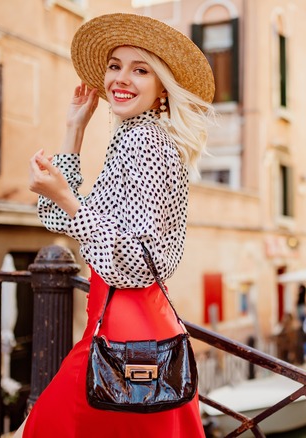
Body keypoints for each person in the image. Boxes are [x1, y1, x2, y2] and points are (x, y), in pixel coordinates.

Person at [16, 13, 215, 438]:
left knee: (47, 427)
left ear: (162, 85)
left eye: (140, 69)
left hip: (129, 321)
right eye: (114, 65)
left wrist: (66, 196)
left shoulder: (146, 139)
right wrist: (75, 128)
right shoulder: (131, 135)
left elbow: (138, 257)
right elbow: (61, 218)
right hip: (118, 317)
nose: (121, 79)